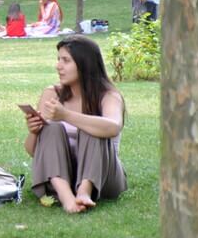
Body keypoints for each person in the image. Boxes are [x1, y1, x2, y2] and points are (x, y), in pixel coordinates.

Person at [22, 35, 126, 214]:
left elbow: (112, 127)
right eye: (58, 60)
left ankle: (84, 191)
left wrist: (66, 115)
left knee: (92, 127)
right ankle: (67, 197)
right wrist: (34, 132)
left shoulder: (108, 96)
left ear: (85, 64)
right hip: (61, 177)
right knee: (51, 129)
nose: (58, 66)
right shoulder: (51, 94)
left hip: (103, 177)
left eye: (66, 60)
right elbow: (34, 152)